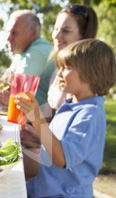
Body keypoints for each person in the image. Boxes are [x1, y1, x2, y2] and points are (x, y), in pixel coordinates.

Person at [15, 39, 116, 198]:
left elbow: (62, 158)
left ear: (91, 73)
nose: (59, 72)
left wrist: (38, 119)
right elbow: (55, 146)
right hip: (46, 189)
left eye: (66, 67)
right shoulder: (71, 106)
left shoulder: (90, 115)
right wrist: (37, 138)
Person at [21, 4, 98, 178]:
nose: (56, 35)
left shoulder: (81, 86)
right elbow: (50, 117)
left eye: (66, 30)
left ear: (83, 36)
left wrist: (39, 133)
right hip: (47, 154)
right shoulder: (59, 71)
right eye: (56, 29)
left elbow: (66, 148)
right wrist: (32, 127)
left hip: (59, 172)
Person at [0, 10, 55, 108]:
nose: (8, 38)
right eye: (8, 33)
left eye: (14, 33)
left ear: (32, 33)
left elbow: (17, 91)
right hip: (27, 116)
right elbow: (6, 81)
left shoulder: (37, 52)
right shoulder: (24, 52)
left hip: (35, 121)